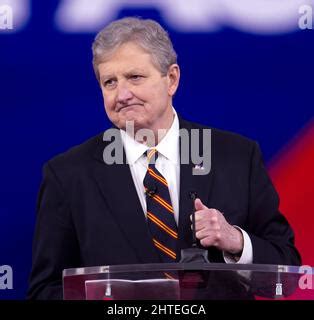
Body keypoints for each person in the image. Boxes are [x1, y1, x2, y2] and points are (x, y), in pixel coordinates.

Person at [27, 17, 301, 300]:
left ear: (171, 79)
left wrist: (235, 241)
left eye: (135, 77)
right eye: (110, 82)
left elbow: (288, 275)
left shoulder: (236, 158)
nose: (122, 94)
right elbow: (43, 291)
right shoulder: (69, 175)